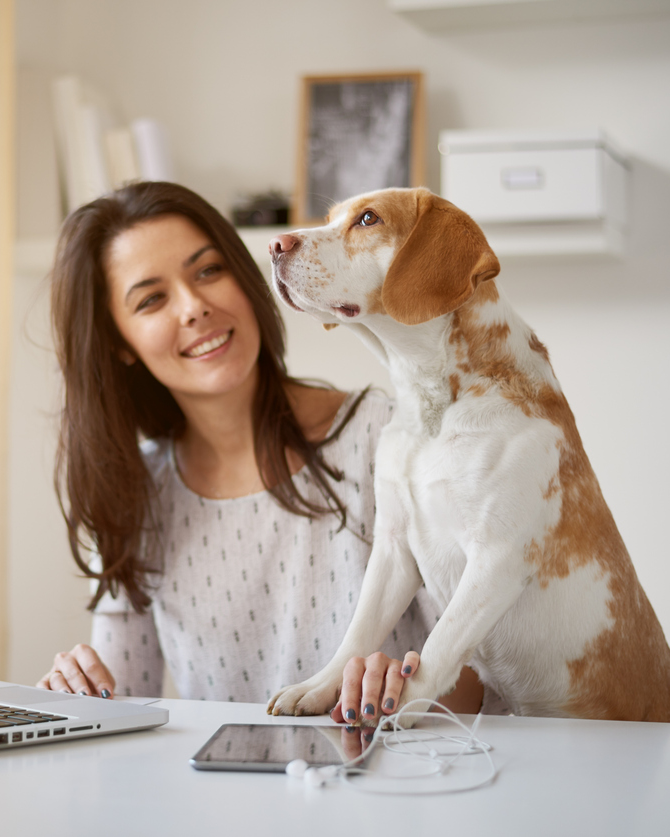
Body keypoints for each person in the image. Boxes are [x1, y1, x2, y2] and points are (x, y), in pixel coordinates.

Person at [37, 181, 498, 725]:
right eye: (152, 299)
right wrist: (78, 697)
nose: (194, 308)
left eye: (208, 271)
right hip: (224, 803)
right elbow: (124, 705)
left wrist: (405, 690)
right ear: (118, 342)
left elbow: (489, 683)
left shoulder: (386, 437)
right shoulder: (135, 493)